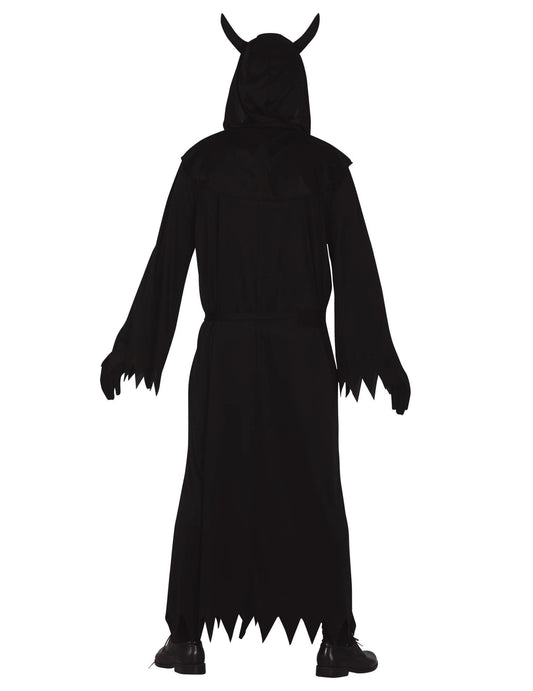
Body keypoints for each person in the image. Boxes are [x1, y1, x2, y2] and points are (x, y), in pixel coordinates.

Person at [100, 13, 411, 677]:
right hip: (301, 356)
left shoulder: (204, 164)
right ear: (297, 86)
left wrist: (132, 347)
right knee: (314, 487)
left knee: (210, 483)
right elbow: (356, 269)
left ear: (239, 84)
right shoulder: (324, 168)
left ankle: (187, 638)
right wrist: (377, 357)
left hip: (227, 355)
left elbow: (167, 263)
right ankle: (335, 641)